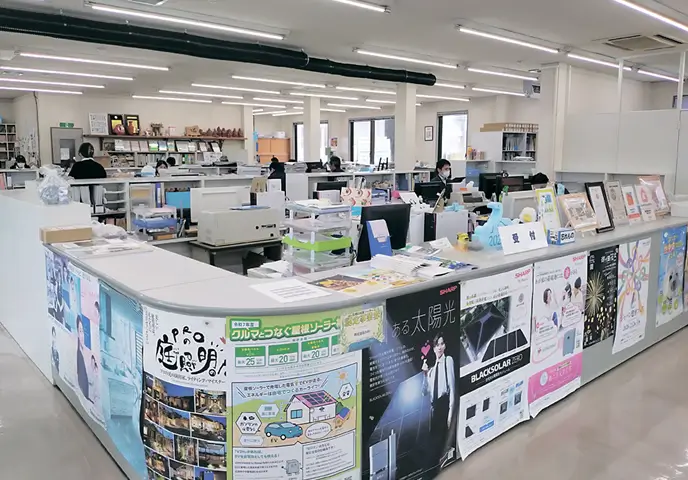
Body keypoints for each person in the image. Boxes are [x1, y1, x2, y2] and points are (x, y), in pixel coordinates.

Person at [422, 332, 455, 470]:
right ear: (434, 348)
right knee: (432, 443)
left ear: (445, 346)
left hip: (443, 405)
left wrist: (450, 415)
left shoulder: (448, 361)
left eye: (442, 344)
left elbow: (452, 388)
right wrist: (425, 374)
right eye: (437, 345)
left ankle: (435, 468)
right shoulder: (432, 370)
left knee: (438, 443)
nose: (440, 347)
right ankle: (432, 469)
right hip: (434, 409)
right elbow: (424, 392)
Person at [76, 315, 89, 399]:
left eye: (83, 331)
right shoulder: (78, 356)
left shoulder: (86, 354)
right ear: (77, 333)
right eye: (80, 331)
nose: (82, 335)